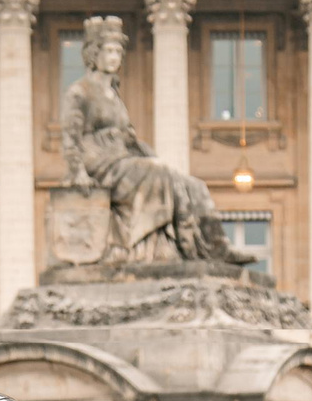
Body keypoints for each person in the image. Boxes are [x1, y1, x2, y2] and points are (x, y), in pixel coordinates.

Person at [60, 17, 246, 267]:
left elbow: (129, 137)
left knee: (193, 185)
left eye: (118, 51)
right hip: (101, 166)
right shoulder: (79, 92)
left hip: (125, 162)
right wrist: (78, 172)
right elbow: (70, 138)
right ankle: (173, 250)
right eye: (109, 51)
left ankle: (216, 248)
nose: (115, 57)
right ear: (94, 53)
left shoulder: (114, 95)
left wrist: (152, 157)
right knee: (157, 172)